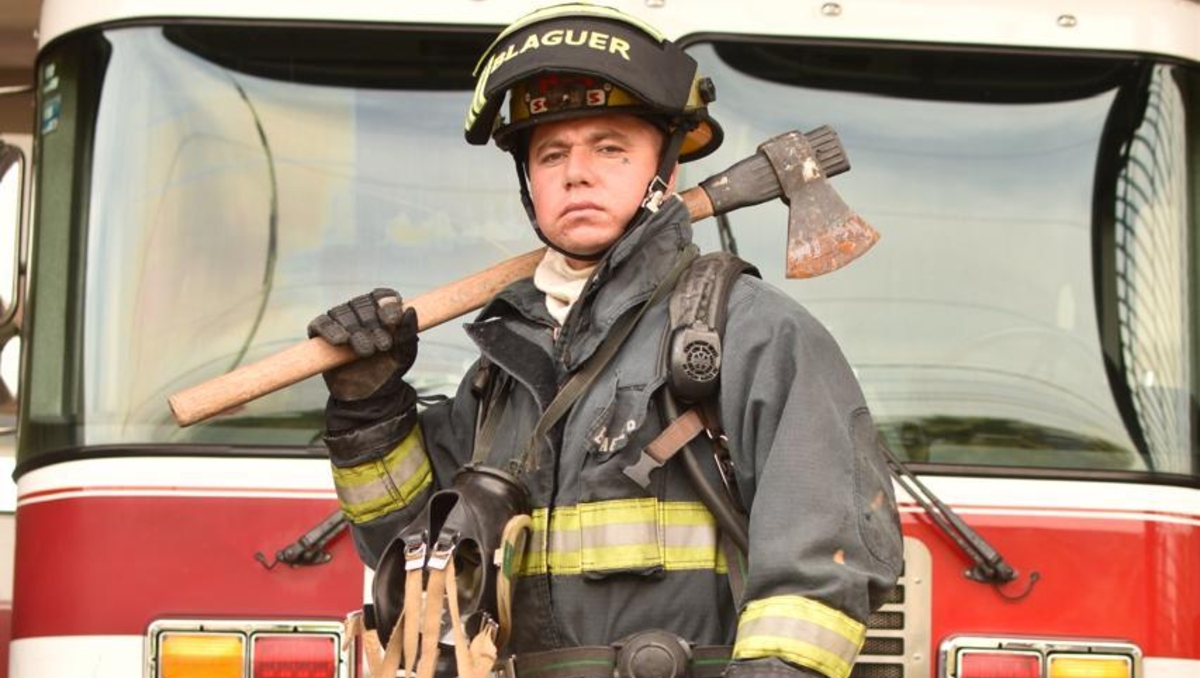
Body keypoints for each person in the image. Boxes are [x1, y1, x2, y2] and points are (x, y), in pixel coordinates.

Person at [307, 4, 904, 678]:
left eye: (610, 147)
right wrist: (368, 408)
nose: (577, 172)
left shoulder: (753, 334)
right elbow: (407, 561)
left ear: (666, 172)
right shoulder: (505, 366)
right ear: (529, 183)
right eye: (551, 153)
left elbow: (820, 580)